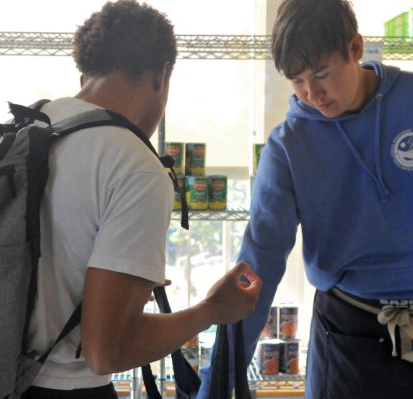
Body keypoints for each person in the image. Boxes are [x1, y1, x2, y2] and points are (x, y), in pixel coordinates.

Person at [197, 0, 413, 398]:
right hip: (346, 336)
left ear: (355, 48)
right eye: (297, 80)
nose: (312, 93)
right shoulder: (287, 147)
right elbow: (259, 263)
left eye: (322, 74)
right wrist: (220, 377)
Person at [22, 1, 262, 398]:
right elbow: (106, 350)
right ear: (161, 75)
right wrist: (211, 311)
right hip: (61, 389)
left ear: (85, 74)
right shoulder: (135, 166)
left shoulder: (28, 126)